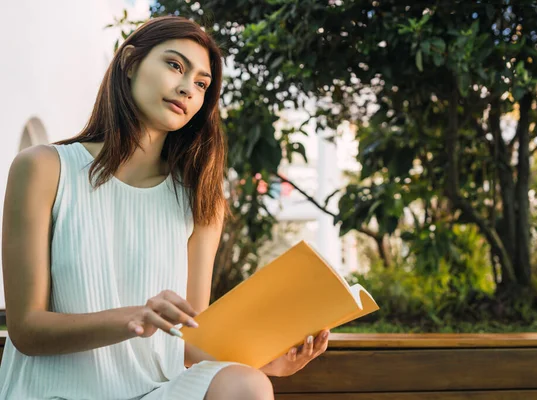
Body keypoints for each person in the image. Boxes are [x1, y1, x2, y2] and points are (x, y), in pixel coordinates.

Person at [0, 16, 329, 400]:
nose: (188, 87)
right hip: (54, 393)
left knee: (248, 384)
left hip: (155, 392)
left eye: (202, 84)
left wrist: (264, 362)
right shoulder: (43, 168)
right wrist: (133, 318)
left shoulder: (199, 200)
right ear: (130, 63)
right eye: (175, 65)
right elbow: (26, 330)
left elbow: (187, 336)